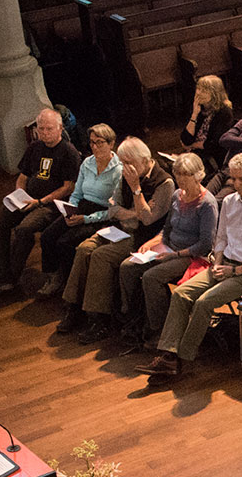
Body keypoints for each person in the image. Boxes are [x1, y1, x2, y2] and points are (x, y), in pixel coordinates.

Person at [137, 153, 242, 379]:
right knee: (182, 294)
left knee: (203, 303)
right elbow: (221, 238)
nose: (236, 184)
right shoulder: (230, 202)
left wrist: (234, 271)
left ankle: (181, 358)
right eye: (234, 179)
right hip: (225, 265)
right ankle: (168, 355)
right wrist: (220, 262)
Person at [56, 139, 176, 342]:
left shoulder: (164, 183)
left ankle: (98, 319)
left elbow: (147, 219)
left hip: (143, 237)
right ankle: (74, 307)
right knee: (84, 248)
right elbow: (112, 208)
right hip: (119, 229)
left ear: (145, 160)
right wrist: (133, 212)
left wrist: (136, 189)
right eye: (123, 162)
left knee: (101, 256)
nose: (125, 168)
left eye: (129, 162)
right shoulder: (125, 175)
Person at [118, 152, 218, 348]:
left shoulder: (207, 204)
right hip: (169, 247)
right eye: (178, 174)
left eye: (185, 175)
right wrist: (155, 242)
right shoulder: (176, 195)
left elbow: (206, 244)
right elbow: (167, 228)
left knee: (151, 276)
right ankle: (134, 318)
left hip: (191, 255)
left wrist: (175, 254)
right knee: (127, 266)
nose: (180, 179)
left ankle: (161, 328)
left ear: (198, 175)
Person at [0, 108, 79, 295]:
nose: (44, 133)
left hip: (51, 205)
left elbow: (69, 187)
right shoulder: (35, 147)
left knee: (24, 229)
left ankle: (11, 276)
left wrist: (41, 201)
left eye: (49, 129)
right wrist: (19, 193)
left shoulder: (69, 152)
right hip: (28, 199)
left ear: (60, 128)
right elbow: (23, 176)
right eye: (41, 129)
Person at [35, 123, 120, 299]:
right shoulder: (87, 163)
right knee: (48, 235)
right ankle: (55, 277)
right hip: (81, 207)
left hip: (100, 214)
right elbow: (77, 192)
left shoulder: (118, 170)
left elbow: (114, 209)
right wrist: (70, 210)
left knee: (65, 242)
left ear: (111, 144)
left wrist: (85, 219)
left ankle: (71, 286)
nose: (94, 147)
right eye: (91, 142)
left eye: (99, 142)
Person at [179, 75, 233, 173]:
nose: (199, 93)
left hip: (211, 158)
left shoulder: (224, 112)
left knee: (184, 171)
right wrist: (194, 114)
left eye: (204, 91)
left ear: (215, 94)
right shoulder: (199, 109)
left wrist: (193, 145)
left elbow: (215, 144)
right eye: (198, 89)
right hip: (195, 153)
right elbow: (185, 139)